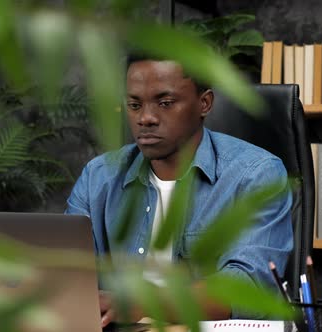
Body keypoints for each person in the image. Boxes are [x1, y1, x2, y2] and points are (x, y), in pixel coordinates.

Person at [65, 55, 293, 327]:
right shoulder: (98, 176)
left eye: (165, 103)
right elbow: (67, 273)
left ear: (204, 103)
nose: (145, 118)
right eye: (134, 105)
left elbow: (247, 287)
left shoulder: (256, 174)